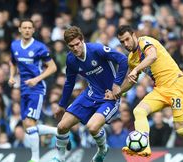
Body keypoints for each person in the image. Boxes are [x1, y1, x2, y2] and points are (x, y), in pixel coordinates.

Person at [105, 25, 183, 162]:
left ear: (134, 35)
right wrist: (117, 93)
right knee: (138, 111)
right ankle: (145, 146)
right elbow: (131, 81)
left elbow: (152, 56)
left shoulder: (145, 42)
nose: (126, 44)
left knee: (181, 129)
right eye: (122, 42)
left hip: (177, 85)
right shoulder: (132, 59)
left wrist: (136, 69)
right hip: (160, 90)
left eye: (127, 39)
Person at [52, 26, 128, 162]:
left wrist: (116, 85)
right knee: (61, 127)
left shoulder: (96, 49)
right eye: (71, 46)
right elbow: (69, 82)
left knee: (92, 127)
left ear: (82, 40)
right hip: (90, 94)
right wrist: (62, 105)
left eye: (77, 44)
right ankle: (60, 158)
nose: (75, 48)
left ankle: (103, 149)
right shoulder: (71, 60)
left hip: (109, 98)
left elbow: (123, 60)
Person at [9, 19, 58, 162]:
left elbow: (53, 67)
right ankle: (58, 131)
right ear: (19, 29)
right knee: (28, 126)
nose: (27, 30)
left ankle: (35, 159)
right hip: (24, 88)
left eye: (30, 28)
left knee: (30, 124)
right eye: (24, 28)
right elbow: (12, 62)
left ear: (33, 30)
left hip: (37, 88)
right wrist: (11, 76)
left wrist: (37, 79)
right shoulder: (14, 45)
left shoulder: (39, 47)